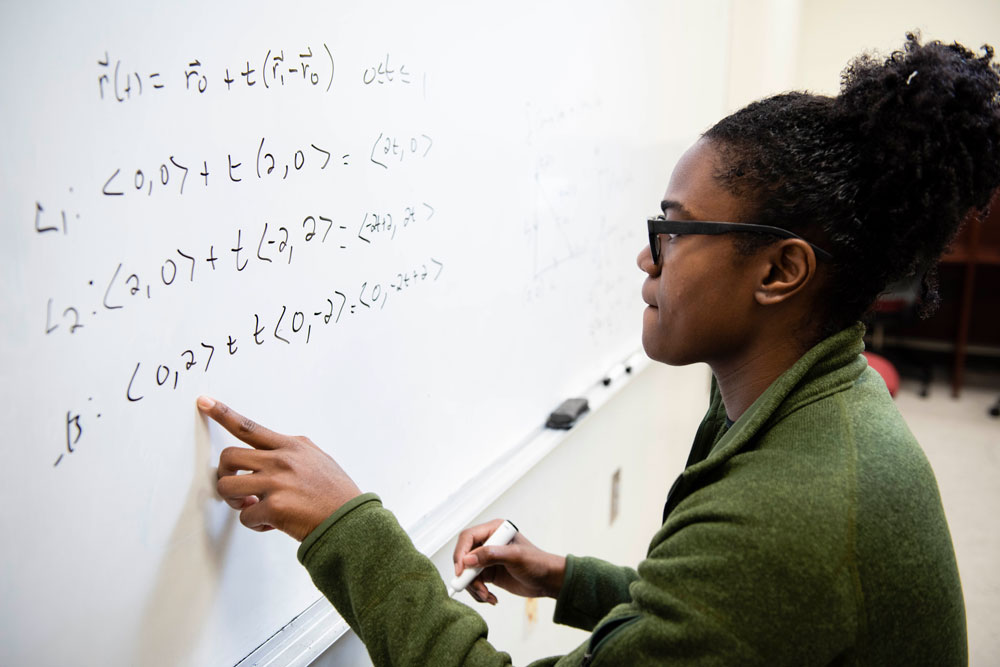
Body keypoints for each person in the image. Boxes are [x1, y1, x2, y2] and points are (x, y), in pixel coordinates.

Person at [198, 34, 1000, 665]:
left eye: (674, 229)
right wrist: (564, 576)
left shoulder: (798, 504)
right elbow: (718, 614)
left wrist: (347, 524)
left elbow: (757, 574)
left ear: (781, 269)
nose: (647, 258)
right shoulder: (806, 403)